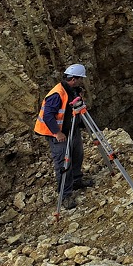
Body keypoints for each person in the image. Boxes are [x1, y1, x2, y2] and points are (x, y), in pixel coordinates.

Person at [33, 63, 93, 209]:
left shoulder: (73, 90)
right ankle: (65, 195)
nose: (81, 82)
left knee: (77, 154)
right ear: (73, 79)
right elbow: (48, 116)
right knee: (63, 164)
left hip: (72, 130)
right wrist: (57, 133)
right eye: (80, 79)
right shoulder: (57, 94)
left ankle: (77, 180)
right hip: (57, 134)